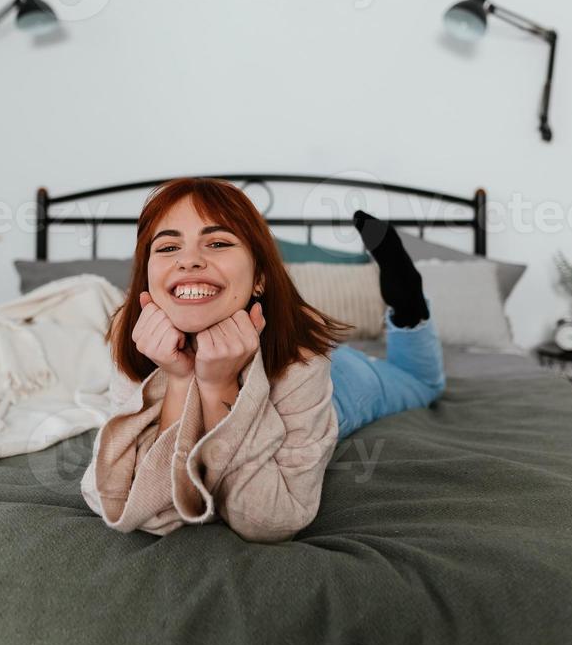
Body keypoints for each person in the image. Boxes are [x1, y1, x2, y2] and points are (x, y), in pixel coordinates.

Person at [80, 178, 445, 543]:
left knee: (421, 384)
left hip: (334, 381)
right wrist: (178, 381)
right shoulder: (137, 340)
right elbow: (126, 499)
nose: (188, 260)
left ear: (259, 279)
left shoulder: (303, 362)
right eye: (168, 246)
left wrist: (219, 386)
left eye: (218, 242)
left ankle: (408, 305)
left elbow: (272, 520)